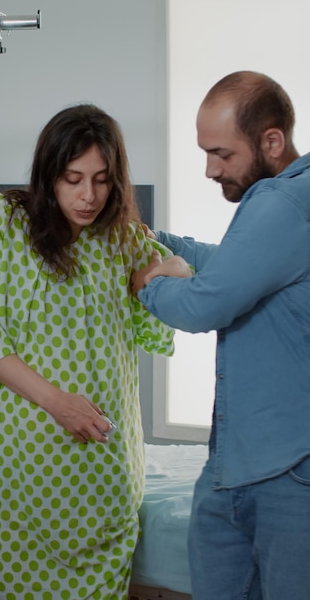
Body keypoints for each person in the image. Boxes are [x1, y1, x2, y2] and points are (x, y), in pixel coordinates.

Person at [0, 103, 175, 600]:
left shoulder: (122, 236)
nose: (89, 195)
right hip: (14, 467)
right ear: (48, 173)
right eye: (73, 178)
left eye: (101, 179)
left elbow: (165, 312)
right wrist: (57, 402)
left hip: (104, 469)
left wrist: (174, 265)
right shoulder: (5, 223)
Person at [130, 70, 310, 600]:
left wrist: (148, 285)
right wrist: (159, 243)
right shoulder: (283, 203)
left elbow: (210, 301)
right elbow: (236, 269)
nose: (210, 169)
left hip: (285, 467)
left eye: (222, 154)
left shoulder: (286, 203)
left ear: (271, 141)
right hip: (237, 460)